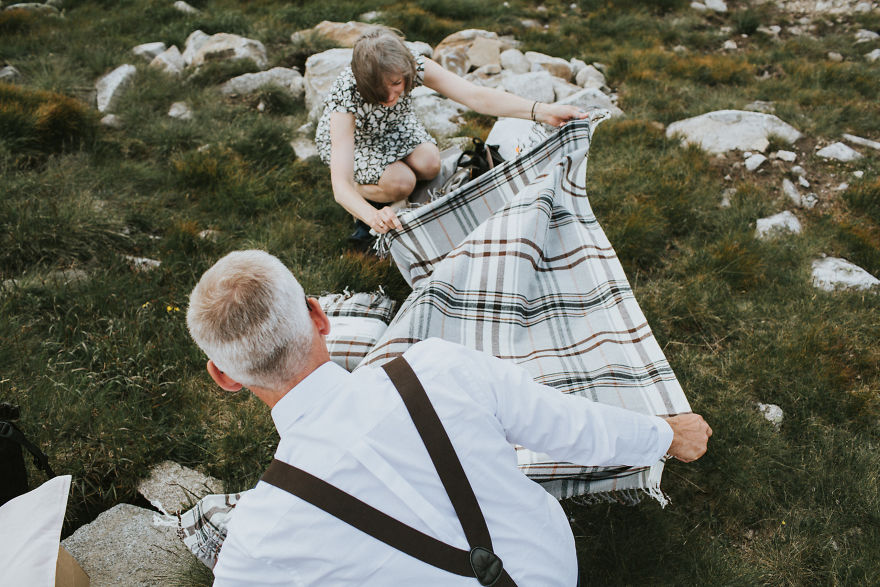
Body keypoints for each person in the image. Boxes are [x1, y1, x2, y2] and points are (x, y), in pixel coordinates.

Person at [186, 250, 712, 586]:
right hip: (548, 568)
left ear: (225, 378)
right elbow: (567, 425)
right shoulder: (439, 367)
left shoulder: (257, 538)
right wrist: (665, 435)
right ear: (322, 316)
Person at [315, 27, 588, 241]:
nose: (390, 97)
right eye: (379, 92)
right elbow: (340, 186)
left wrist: (542, 111)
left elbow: (475, 96)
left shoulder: (409, 63)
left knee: (430, 163)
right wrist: (371, 215)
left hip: (393, 125)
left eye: (397, 85)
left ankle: (393, 185)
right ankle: (370, 196)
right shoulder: (346, 95)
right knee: (401, 182)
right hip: (358, 140)